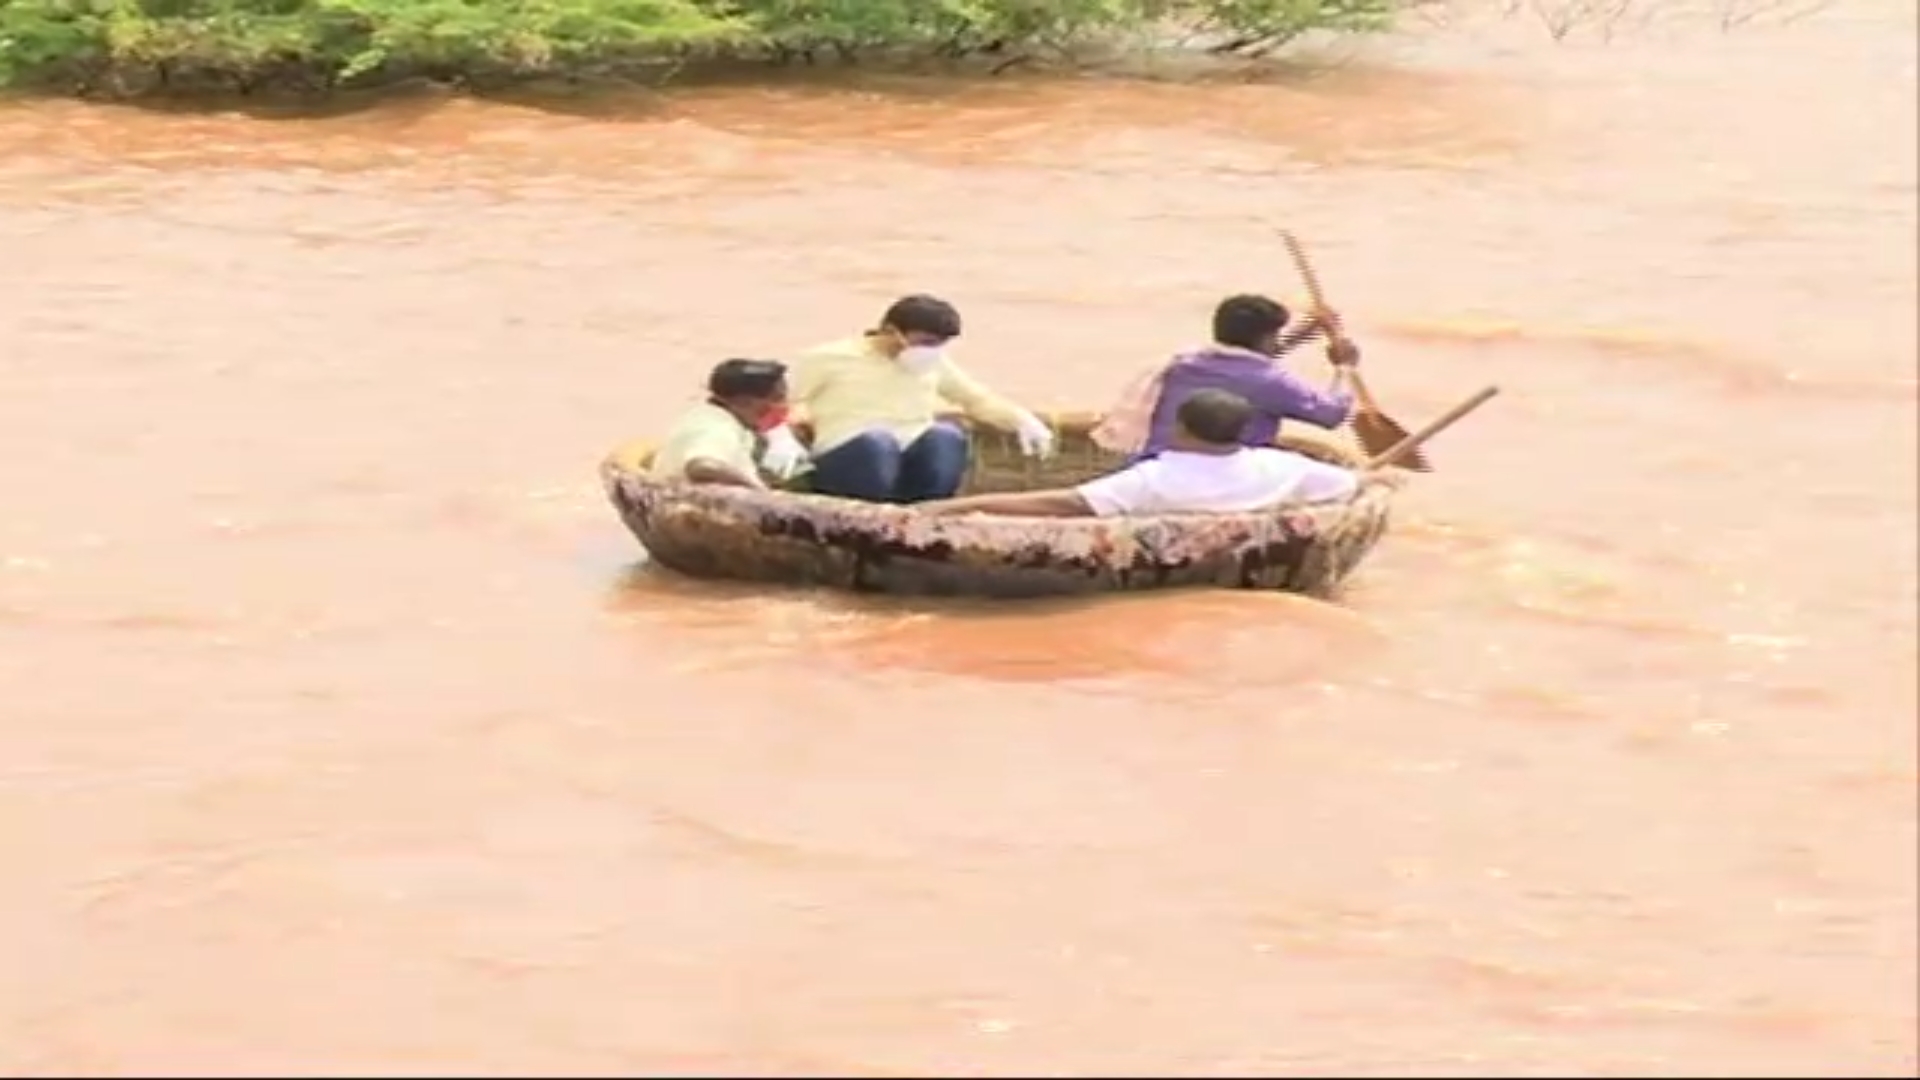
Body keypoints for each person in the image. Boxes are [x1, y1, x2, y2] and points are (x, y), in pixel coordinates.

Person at [777, 294, 1056, 504]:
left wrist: (1020, 420)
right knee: (878, 443)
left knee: (946, 436)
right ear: (890, 331)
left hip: (909, 456)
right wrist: (780, 436)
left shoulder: (933, 363)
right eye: (924, 342)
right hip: (852, 455)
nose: (931, 350)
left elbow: (975, 399)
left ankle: (925, 513)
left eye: (938, 344)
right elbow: (781, 400)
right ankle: (870, 514)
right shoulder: (829, 358)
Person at [921, 388, 1361, 519]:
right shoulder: (1279, 466)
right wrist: (1377, 478)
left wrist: (965, 505)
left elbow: (1062, 502)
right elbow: (1353, 484)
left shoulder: (1152, 480)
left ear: (1180, 427)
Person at [1091, 293, 1361, 459]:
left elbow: (1247, 363)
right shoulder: (1268, 381)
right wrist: (1344, 368)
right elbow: (1332, 414)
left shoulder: (1186, 362)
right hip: (1220, 466)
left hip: (1154, 460)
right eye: (1274, 336)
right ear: (1266, 338)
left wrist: (1302, 334)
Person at [649, 358, 797, 489]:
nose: (783, 405)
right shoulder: (717, 429)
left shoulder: (710, 416)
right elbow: (702, 466)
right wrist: (761, 494)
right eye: (777, 398)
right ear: (744, 402)